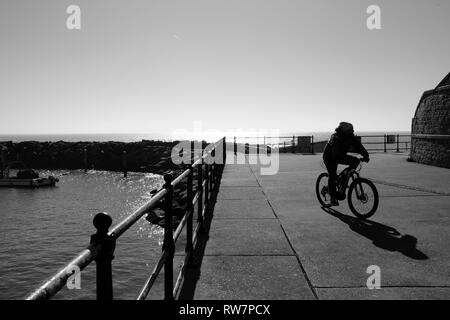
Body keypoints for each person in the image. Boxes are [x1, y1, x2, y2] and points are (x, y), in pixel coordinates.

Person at [322, 122, 369, 207]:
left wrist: (366, 155)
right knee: (332, 177)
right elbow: (336, 154)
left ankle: (344, 177)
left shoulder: (350, 136)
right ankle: (333, 199)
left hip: (339, 155)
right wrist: (346, 158)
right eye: (350, 130)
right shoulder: (335, 137)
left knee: (355, 161)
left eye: (352, 130)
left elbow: (358, 146)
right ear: (344, 130)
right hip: (330, 157)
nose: (352, 131)